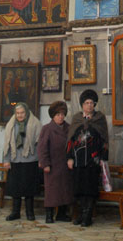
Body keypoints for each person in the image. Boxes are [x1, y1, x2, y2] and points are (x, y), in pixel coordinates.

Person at [67, 89, 109, 227]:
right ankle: (81, 214)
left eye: (91, 103)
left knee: (90, 188)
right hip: (78, 160)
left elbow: (105, 140)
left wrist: (103, 158)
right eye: (86, 103)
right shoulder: (77, 119)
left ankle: (88, 216)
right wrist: (69, 157)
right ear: (82, 105)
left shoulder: (99, 119)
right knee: (79, 188)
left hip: (93, 160)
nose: (89, 105)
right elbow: (70, 140)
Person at [3, 101, 42, 222]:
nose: (20, 115)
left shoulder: (35, 123)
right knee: (15, 188)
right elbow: (7, 143)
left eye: (22, 113)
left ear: (27, 112)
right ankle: (15, 212)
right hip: (15, 160)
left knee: (29, 188)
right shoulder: (11, 124)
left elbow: (40, 144)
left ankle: (30, 212)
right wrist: (6, 160)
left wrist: (41, 159)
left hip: (30, 160)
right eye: (17, 113)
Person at [38, 100, 73, 224]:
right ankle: (49, 214)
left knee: (64, 190)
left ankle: (62, 214)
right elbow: (42, 148)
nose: (61, 117)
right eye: (58, 115)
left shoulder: (69, 128)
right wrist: (45, 163)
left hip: (65, 164)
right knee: (51, 191)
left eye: (62, 114)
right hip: (52, 165)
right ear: (53, 116)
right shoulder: (47, 129)